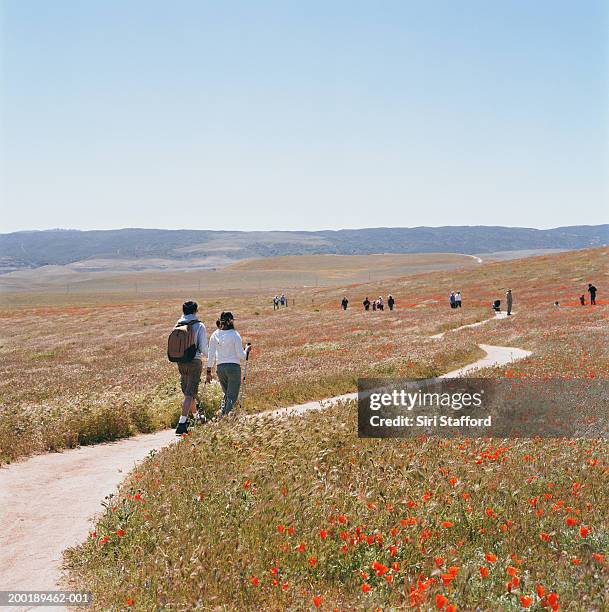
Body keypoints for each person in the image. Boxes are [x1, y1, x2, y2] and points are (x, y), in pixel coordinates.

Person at [207, 311, 251, 416]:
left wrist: (208, 370)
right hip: (233, 367)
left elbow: (211, 354)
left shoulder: (215, 334)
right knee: (232, 395)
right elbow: (241, 356)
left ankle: (223, 413)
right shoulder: (234, 334)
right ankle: (227, 417)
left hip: (220, 368)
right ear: (230, 321)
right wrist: (247, 350)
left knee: (226, 394)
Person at [174, 301, 208, 435]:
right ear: (195, 311)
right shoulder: (199, 325)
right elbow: (203, 348)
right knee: (190, 393)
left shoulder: (177, 324)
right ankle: (182, 423)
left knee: (188, 391)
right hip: (194, 361)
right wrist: (212, 357)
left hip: (181, 361)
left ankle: (197, 418)